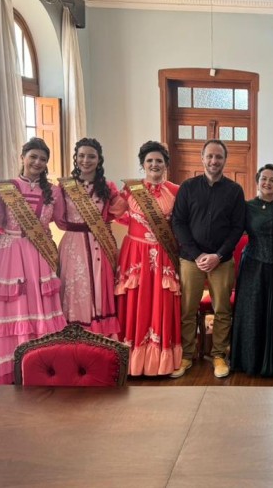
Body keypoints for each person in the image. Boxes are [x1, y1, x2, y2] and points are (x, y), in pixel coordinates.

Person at [0, 137, 67, 384]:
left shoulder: (54, 191)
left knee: (40, 305)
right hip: (11, 253)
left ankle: (43, 365)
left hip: (39, 254)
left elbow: (61, 221)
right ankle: (13, 367)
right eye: (33, 156)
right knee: (16, 304)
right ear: (22, 157)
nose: (37, 162)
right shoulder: (5, 188)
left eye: (43, 159)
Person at [171, 139, 246, 378]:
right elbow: (178, 223)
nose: (214, 161)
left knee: (222, 309)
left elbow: (238, 227)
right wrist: (198, 254)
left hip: (221, 260)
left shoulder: (235, 191)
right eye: (210, 156)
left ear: (225, 160)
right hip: (190, 259)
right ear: (202, 158)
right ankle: (187, 355)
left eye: (219, 157)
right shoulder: (188, 187)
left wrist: (218, 255)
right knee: (187, 309)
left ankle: (219, 355)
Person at [116, 141, 183, 376]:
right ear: (143, 164)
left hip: (164, 255)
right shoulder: (130, 189)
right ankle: (132, 362)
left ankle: (161, 362)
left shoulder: (175, 191)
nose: (154, 164)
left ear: (166, 165)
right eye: (150, 161)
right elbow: (114, 213)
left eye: (159, 161)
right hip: (136, 254)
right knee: (136, 302)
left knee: (161, 303)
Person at [57, 138, 126, 337]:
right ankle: (74, 333)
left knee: (99, 285)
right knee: (74, 285)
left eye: (91, 156)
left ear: (99, 159)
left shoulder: (107, 187)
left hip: (99, 241)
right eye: (81, 156)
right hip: (73, 242)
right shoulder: (65, 187)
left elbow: (118, 209)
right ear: (76, 158)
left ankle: (100, 334)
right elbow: (59, 218)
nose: (85, 160)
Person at [230, 164, 273, 377]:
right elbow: (232, 231)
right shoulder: (246, 207)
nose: (268, 183)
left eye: (272, 180)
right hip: (253, 266)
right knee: (252, 312)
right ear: (257, 181)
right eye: (264, 179)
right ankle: (250, 361)